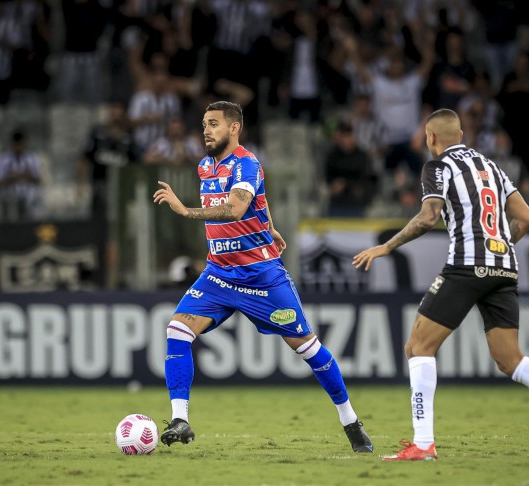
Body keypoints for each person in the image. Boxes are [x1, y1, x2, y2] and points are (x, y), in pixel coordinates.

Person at [352, 108, 529, 462]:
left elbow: (428, 216)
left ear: (431, 138)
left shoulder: (437, 167)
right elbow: (527, 218)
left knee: (418, 347)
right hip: (505, 266)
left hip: (468, 264)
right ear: (462, 135)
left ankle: (423, 443)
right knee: (510, 359)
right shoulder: (491, 167)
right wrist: (498, 248)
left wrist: (386, 246)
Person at [153, 101, 372, 452]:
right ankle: (181, 419)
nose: (206, 130)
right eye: (204, 124)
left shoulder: (247, 163)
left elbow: (237, 207)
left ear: (234, 128)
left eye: (214, 124)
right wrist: (270, 226)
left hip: (262, 279)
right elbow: (259, 201)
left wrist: (184, 209)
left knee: (309, 350)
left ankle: (350, 421)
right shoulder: (205, 165)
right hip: (219, 274)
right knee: (177, 330)